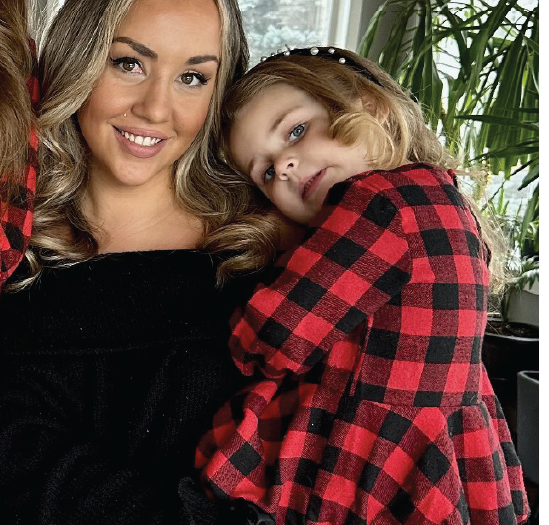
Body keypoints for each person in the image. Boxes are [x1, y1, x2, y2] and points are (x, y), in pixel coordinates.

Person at [0, 0, 284, 525]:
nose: (156, 109)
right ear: (79, 58)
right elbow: (18, 460)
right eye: (129, 63)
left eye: (193, 77)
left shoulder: (261, 252)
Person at [199, 46, 530, 525]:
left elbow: (274, 337)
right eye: (267, 171)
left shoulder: (380, 205)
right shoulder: (442, 197)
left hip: (372, 452)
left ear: (365, 105)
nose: (286, 166)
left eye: (295, 132)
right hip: (445, 444)